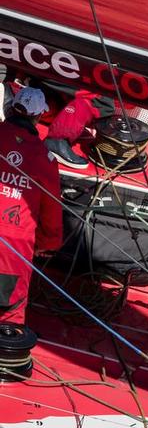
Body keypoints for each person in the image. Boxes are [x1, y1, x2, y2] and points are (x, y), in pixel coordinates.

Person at [0, 88, 63, 325]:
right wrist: (48, 244)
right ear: (38, 117)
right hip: (14, 247)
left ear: (12, 108)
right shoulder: (45, 158)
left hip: (13, 243)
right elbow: (51, 208)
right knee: (10, 311)